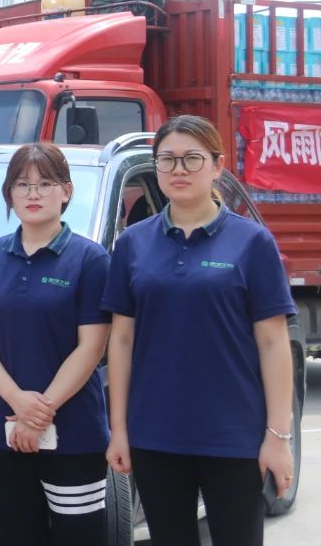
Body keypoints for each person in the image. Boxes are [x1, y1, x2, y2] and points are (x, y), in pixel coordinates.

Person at [103, 114, 295, 546]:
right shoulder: (133, 243)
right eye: (167, 160)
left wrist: (278, 437)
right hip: (155, 435)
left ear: (217, 165)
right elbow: (122, 340)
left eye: (192, 159)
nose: (179, 170)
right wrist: (120, 429)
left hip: (234, 436)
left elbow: (273, 343)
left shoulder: (252, 243)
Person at [0, 142, 111, 545]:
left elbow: (91, 347)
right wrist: (18, 402)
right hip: (6, 431)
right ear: (9, 193)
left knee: (79, 538)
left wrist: (39, 412)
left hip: (75, 433)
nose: (33, 194)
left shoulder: (90, 260)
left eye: (45, 183)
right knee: (17, 535)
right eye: (22, 184)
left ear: (66, 192)